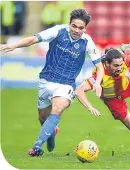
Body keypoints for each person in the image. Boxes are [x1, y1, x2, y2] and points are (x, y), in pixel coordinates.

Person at [0, 9, 104, 156]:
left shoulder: (87, 42)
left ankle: (37, 146)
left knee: (57, 108)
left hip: (66, 84)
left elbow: (99, 66)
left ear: (85, 29)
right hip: (46, 80)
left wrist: (98, 82)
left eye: (81, 28)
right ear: (69, 24)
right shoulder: (58, 31)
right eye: (74, 26)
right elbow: (33, 39)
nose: (76, 30)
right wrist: (15, 46)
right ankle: (52, 131)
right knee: (42, 117)